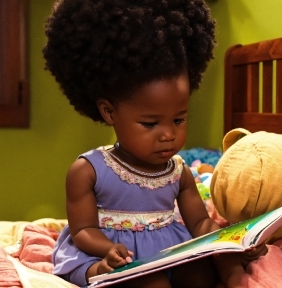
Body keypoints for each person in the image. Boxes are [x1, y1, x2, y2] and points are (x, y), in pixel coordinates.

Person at [43, 0, 265, 287]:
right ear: (109, 111)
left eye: (179, 120)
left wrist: (235, 239)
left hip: (168, 252)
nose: (168, 135)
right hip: (113, 255)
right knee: (153, 284)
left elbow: (200, 224)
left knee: (201, 276)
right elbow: (83, 229)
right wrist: (107, 250)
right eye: (150, 124)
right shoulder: (88, 170)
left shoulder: (179, 171)